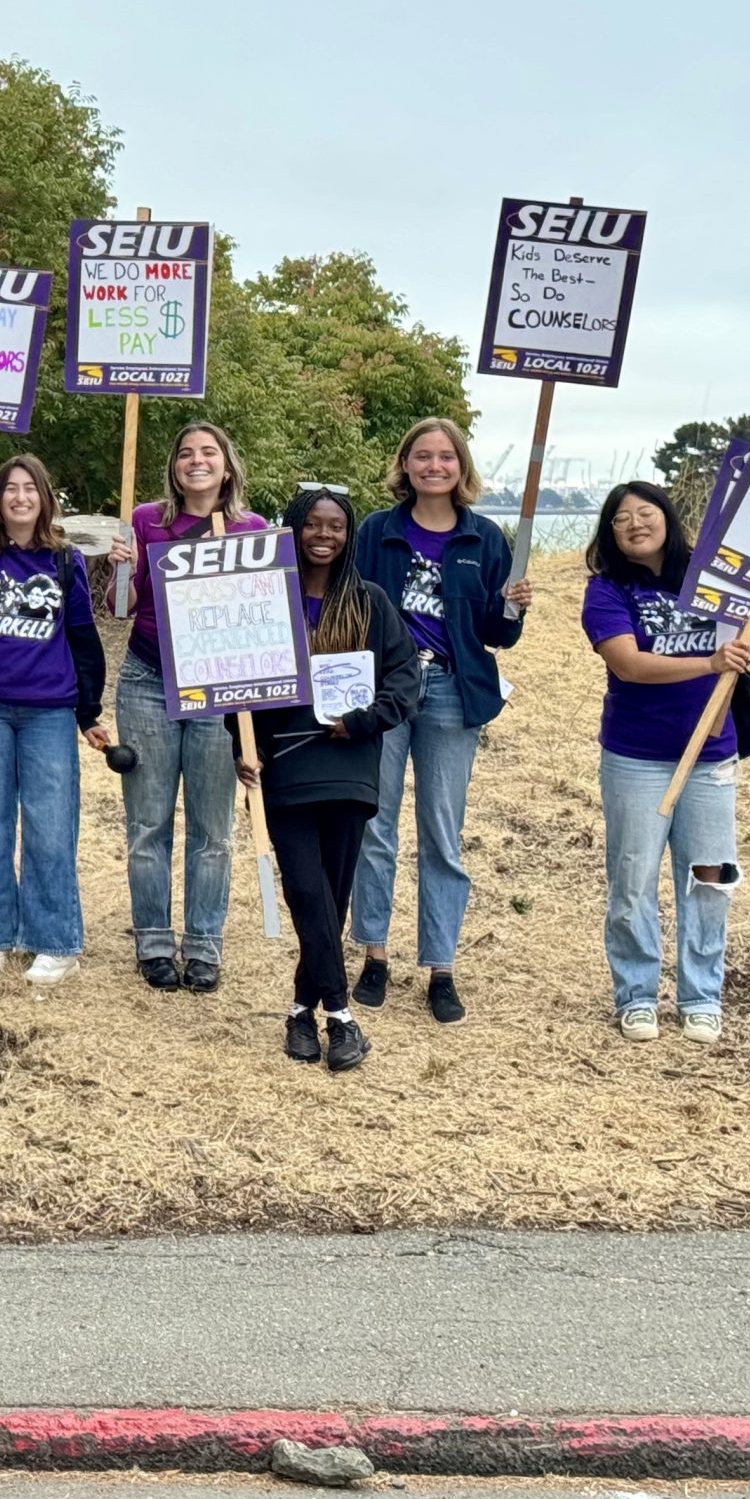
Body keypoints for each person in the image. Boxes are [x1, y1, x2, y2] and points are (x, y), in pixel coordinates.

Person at [349, 417, 532, 1023]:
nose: (433, 466)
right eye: (421, 455)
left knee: (442, 831)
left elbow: (496, 634)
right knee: (373, 822)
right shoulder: (377, 530)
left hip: (453, 690)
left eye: (445, 457)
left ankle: (441, 967)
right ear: (405, 465)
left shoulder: (485, 539)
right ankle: (373, 953)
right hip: (385, 688)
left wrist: (514, 607)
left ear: (461, 467)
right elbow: (347, 601)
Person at [236, 488, 421, 1073]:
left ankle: (299, 1011)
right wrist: (240, 750)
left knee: (332, 897)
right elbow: (233, 684)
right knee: (307, 892)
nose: (324, 534)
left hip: (348, 770)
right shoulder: (265, 601)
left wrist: (368, 719)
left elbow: (405, 678)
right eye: (312, 524)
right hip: (284, 768)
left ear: (349, 536)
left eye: (336, 526)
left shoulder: (370, 603)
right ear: (293, 530)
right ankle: (340, 1015)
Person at [582, 483, 749, 1046]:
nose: (634, 524)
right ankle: (637, 994)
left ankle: (702, 996)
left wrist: (741, 647)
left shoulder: (713, 583)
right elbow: (627, 664)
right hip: (636, 756)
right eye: (620, 519)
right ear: (610, 534)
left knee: (709, 877)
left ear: (668, 519)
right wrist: (709, 661)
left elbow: (743, 644)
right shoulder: (606, 590)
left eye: (645, 512)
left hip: (711, 754)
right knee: (632, 879)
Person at [0, 453, 108, 983]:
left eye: (30, 488)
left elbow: (82, 637)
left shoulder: (64, 561)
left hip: (48, 712)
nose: (20, 497)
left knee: (50, 827)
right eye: (10, 488)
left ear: (44, 497)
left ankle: (55, 940)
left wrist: (88, 712)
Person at [103, 422, 265, 991]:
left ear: (226, 464)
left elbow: (263, 622)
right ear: (175, 466)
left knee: (212, 828)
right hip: (148, 679)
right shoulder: (148, 521)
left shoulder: (253, 529)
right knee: (148, 823)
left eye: (209, 452)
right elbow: (120, 608)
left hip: (219, 694)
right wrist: (121, 567)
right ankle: (153, 941)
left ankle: (203, 945)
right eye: (186, 454)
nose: (196, 461)